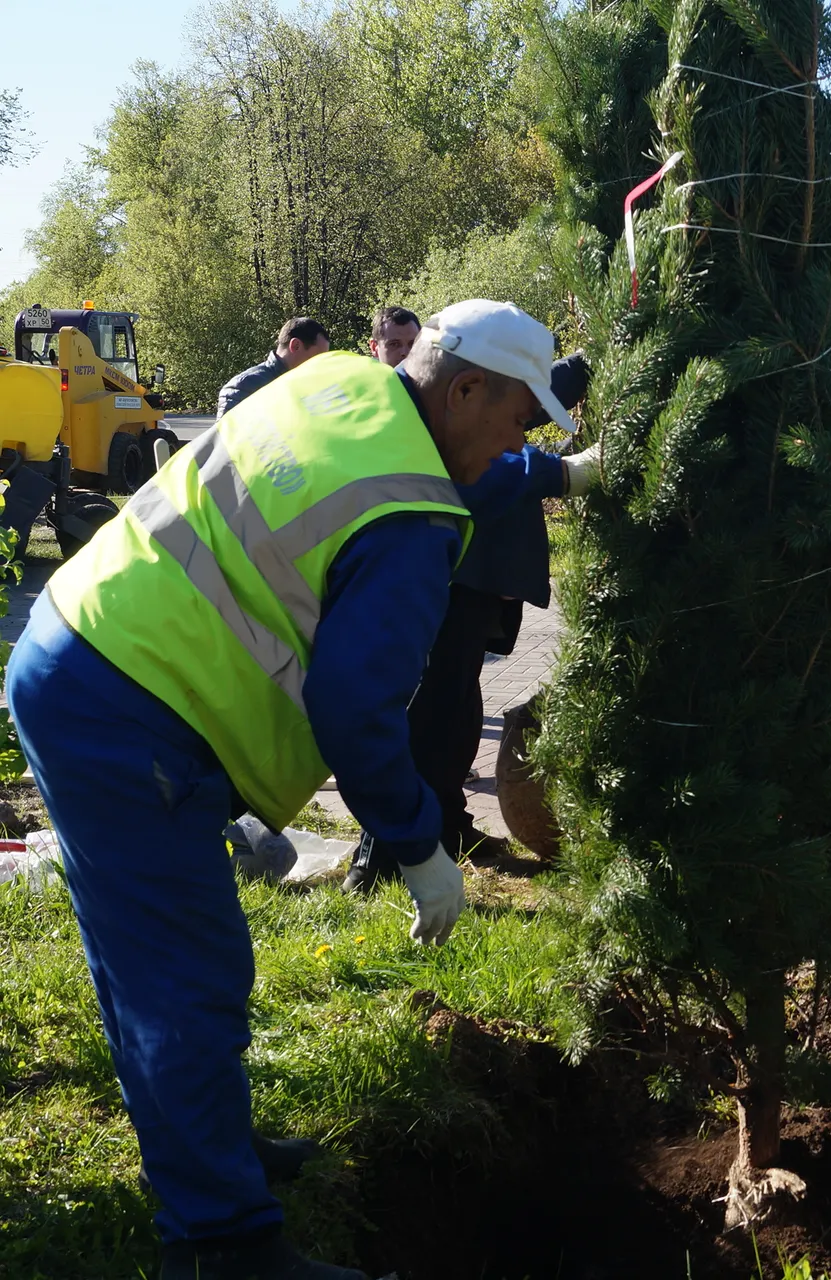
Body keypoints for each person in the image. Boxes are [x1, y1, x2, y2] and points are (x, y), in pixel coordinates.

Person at [7, 299, 572, 1280]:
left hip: (81, 641)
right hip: (134, 710)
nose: (516, 440)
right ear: (470, 387)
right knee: (187, 973)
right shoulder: (412, 521)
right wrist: (420, 844)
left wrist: (557, 470)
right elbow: (360, 711)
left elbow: (443, 465)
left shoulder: (347, 384)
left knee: (150, 960)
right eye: (522, 420)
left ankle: (205, 1144)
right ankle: (223, 1243)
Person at [343, 351, 599, 887]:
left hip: (474, 578)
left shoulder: (465, 400)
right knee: (427, 709)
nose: (513, 436)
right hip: (452, 576)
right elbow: (497, 460)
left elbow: (528, 406)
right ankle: (381, 857)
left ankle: (449, 826)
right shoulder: (434, 422)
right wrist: (564, 467)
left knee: (457, 706)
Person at [215, 316, 331, 419]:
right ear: (295, 346)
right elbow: (224, 440)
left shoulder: (312, 388)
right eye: (317, 356)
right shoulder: (244, 387)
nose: (320, 364)